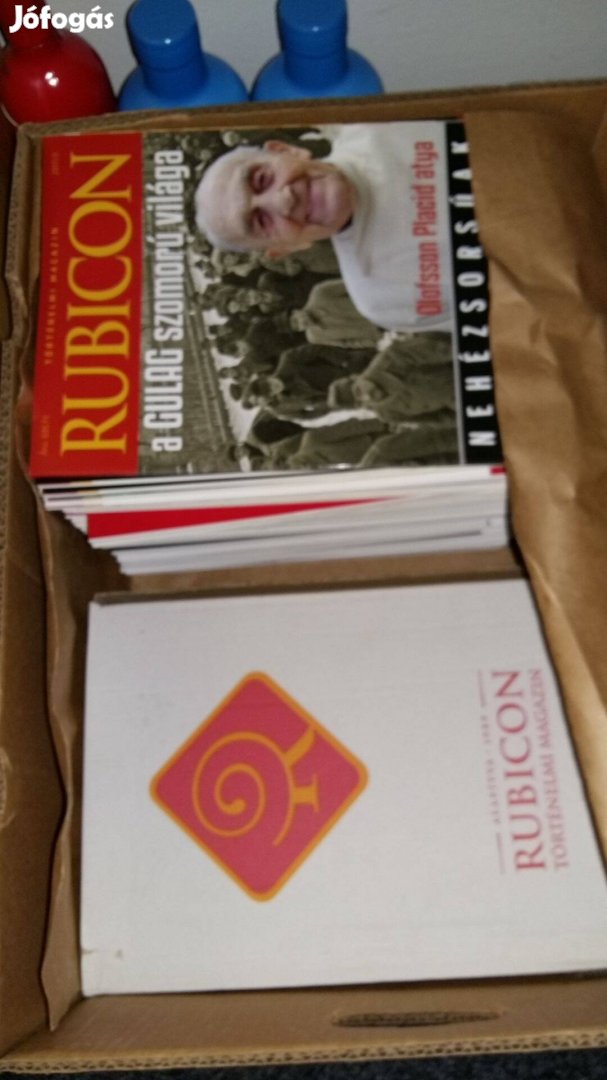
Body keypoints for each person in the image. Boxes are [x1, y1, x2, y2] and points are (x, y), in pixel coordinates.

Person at [194, 123, 453, 332]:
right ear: (285, 248)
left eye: (263, 179)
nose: (284, 200)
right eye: (262, 221)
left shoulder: (382, 119)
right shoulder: (382, 296)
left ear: (286, 150)